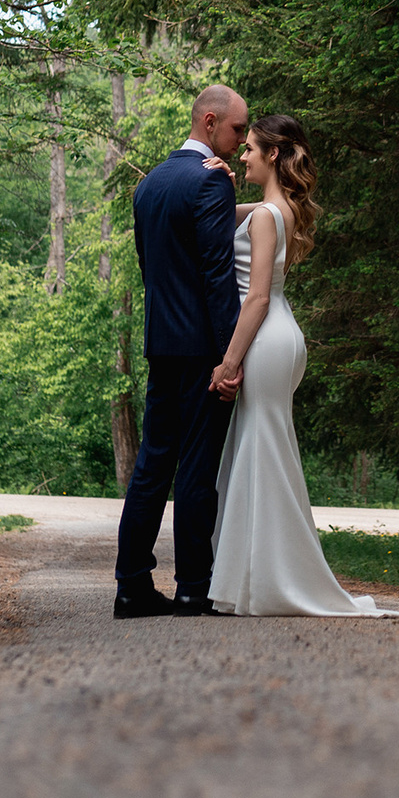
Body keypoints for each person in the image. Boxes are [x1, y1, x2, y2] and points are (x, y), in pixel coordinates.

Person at [203, 113, 398, 618]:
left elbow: (258, 298)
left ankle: (274, 582)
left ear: (272, 154)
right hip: (282, 339)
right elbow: (225, 215)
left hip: (265, 338)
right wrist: (218, 184)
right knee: (262, 453)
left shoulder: (269, 215)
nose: (239, 157)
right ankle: (257, 580)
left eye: (247, 150)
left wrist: (228, 362)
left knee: (263, 454)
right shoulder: (277, 207)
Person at [112, 84, 249, 618]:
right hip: (200, 352)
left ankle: (131, 587)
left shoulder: (148, 186)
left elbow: (154, 272)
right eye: (237, 129)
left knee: (152, 465)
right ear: (210, 122)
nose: (240, 140)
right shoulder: (210, 182)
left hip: (161, 344)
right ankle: (194, 584)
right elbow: (218, 277)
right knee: (196, 468)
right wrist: (229, 356)